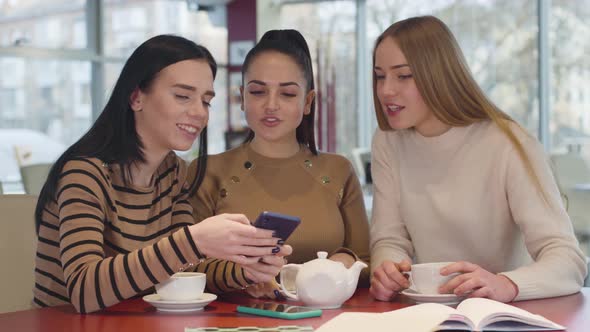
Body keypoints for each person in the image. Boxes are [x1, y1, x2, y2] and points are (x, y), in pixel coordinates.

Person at [33, 35, 291, 314]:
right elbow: (84, 290)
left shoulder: (172, 172)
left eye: (206, 101)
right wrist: (195, 241)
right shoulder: (85, 172)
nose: (198, 113)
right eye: (182, 96)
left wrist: (246, 270)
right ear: (135, 97)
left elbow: (185, 266)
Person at [369, 16, 587, 303]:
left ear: (439, 74)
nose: (386, 90)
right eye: (379, 75)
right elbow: (389, 239)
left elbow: (568, 259)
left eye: (403, 75)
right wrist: (387, 268)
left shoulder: (509, 143)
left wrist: (506, 284)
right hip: (426, 313)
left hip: (504, 314)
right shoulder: (388, 141)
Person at [188, 29, 370, 298]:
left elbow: (365, 260)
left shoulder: (338, 170)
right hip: (234, 322)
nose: (271, 105)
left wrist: (336, 265)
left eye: (287, 94)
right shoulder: (207, 171)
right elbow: (188, 265)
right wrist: (244, 275)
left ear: (308, 102)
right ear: (242, 97)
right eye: (258, 91)